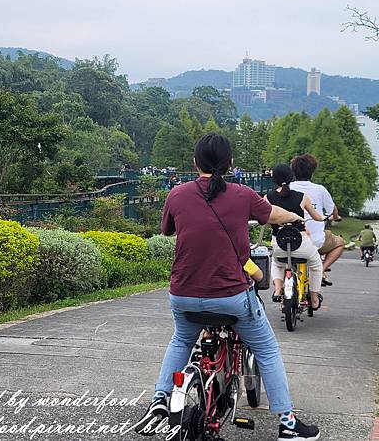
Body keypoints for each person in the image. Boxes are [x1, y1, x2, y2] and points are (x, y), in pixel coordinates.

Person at [134, 133, 321, 441]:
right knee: (266, 348)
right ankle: (287, 424)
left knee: (181, 342)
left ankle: (159, 400)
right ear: (231, 163)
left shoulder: (177, 194)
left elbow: (167, 230)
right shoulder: (242, 194)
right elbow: (273, 214)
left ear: (195, 163)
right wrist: (296, 219)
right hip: (230, 298)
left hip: (182, 295)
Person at [266, 164, 326, 310]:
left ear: (273, 179)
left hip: (279, 244)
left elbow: (266, 220)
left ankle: (278, 289)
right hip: (301, 243)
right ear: (291, 177)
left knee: (277, 263)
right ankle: (313, 298)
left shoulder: (268, 197)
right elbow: (317, 217)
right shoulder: (302, 197)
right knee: (316, 265)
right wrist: (324, 217)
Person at [290, 154, 344, 287]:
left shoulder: (288, 188)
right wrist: (336, 217)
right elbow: (332, 210)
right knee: (340, 242)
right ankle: (321, 269)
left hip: (290, 241)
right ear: (312, 170)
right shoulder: (320, 190)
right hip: (316, 242)